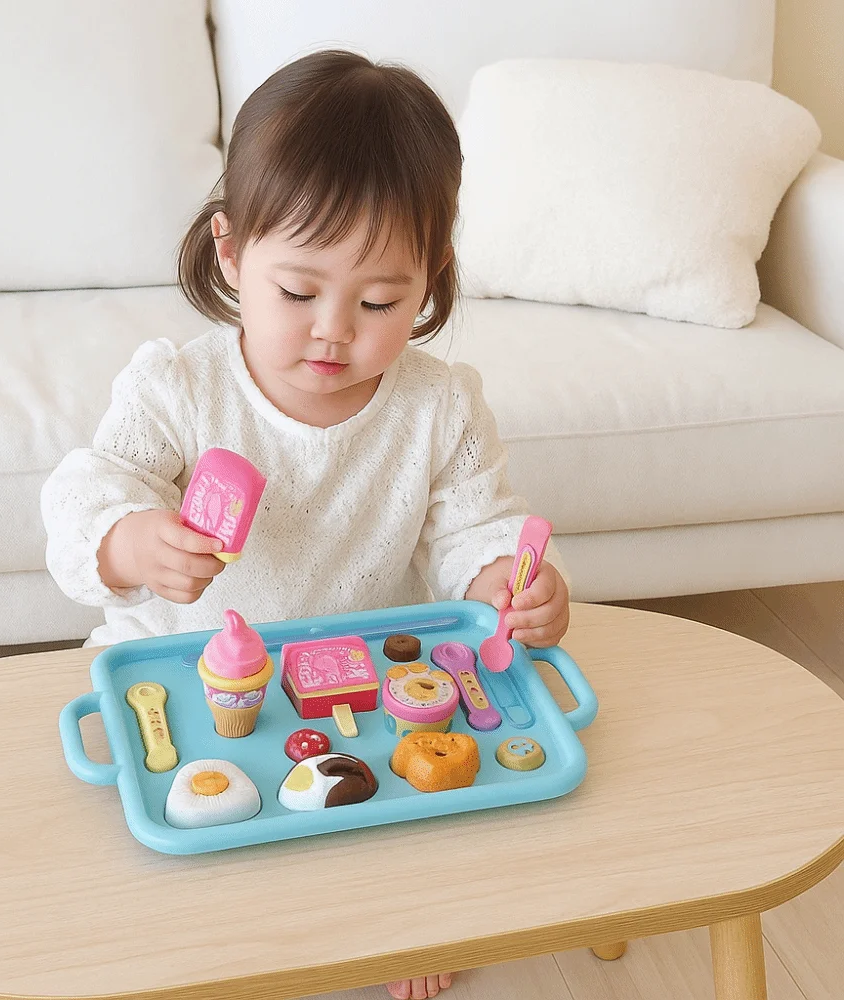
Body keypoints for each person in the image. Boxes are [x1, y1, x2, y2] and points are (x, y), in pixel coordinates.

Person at [41, 49, 570, 1000]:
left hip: (366, 676)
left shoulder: (438, 407)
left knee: (414, 805)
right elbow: (89, 487)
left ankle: (395, 916)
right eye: (298, 292)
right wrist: (130, 540)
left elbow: (476, 529)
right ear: (232, 252)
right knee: (179, 854)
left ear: (432, 278)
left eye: (379, 302)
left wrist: (503, 583)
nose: (334, 330)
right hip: (197, 666)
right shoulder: (179, 387)